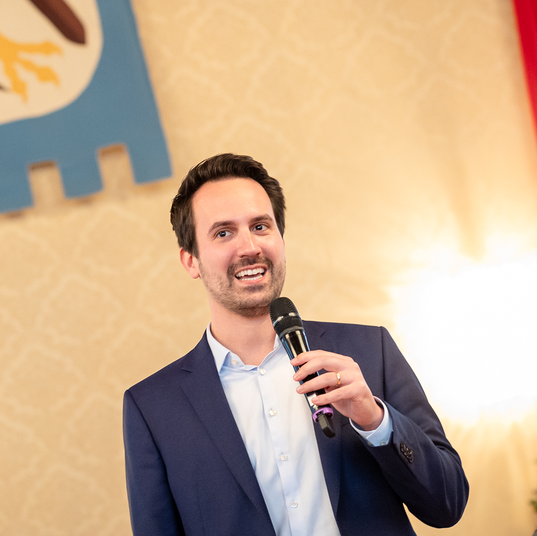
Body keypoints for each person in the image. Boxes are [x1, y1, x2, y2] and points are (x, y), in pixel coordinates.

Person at [122, 154, 468, 536]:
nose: (249, 246)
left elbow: (448, 504)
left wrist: (375, 420)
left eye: (260, 226)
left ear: (281, 240)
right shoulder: (153, 409)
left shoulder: (370, 350)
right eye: (223, 233)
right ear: (191, 261)